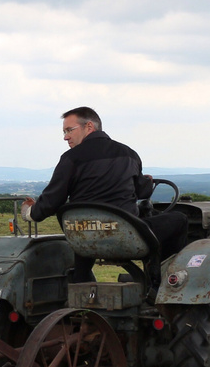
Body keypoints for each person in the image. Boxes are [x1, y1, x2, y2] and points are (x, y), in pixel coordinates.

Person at [21, 107, 187, 281]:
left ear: (89, 127)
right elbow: (142, 192)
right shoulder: (128, 154)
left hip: (85, 238)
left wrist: (29, 213)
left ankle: (81, 282)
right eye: (64, 131)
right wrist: (147, 182)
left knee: (85, 224)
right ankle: (164, 279)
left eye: (69, 130)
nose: (65, 137)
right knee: (180, 220)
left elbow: (51, 200)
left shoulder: (70, 158)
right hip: (126, 236)